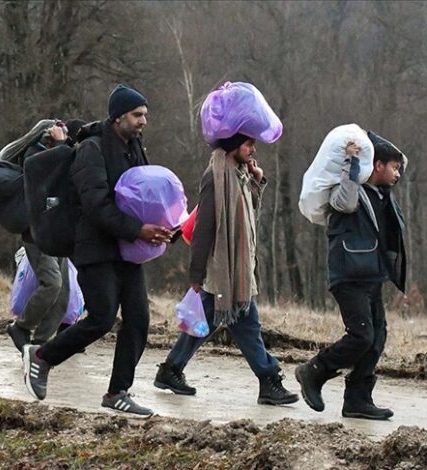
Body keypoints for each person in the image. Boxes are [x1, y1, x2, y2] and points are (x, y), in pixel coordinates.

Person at [22, 85, 171, 418]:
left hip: (128, 250)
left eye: (145, 114)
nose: (143, 121)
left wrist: (162, 226)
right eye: (137, 115)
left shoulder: (134, 146)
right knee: (102, 317)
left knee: (138, 319)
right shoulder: (91, 149)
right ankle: (42, 356)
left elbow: (143, 194)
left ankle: (118, 391)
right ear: (118, 116)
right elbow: (95, 205)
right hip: (94, 247)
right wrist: (138, 230)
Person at [152, 133, 298, 407]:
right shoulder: (215, 177)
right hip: (223, 271)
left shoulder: (240, 173)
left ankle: (171, 369)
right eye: (248, 144)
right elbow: (204, 227)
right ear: (233, 146)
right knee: (247, 324)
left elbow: (249, 210)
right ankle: (268, 379)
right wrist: (196, 274)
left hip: (236, 270)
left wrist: (256, 179)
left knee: (209, 324)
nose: (253, 149)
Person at [296, 134, 407, 420]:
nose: (398, 174)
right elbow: (344, 203)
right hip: (348, 275)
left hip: (371, 276)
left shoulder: (381, 194)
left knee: (377, 337)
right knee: (361, 335)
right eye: (393, 167)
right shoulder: (347, 189)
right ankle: (314, 370)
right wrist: (352, 164)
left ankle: (358, 399)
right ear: (377, 165)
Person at [6, 119, 84, 352]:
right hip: (36, 233)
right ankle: (21, 327)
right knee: (52, 283)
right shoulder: (35, 156)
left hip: (56, 232)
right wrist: (60, 145)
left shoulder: (61, 154)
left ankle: (40, 344)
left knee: (63, 294)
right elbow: (47, 177)